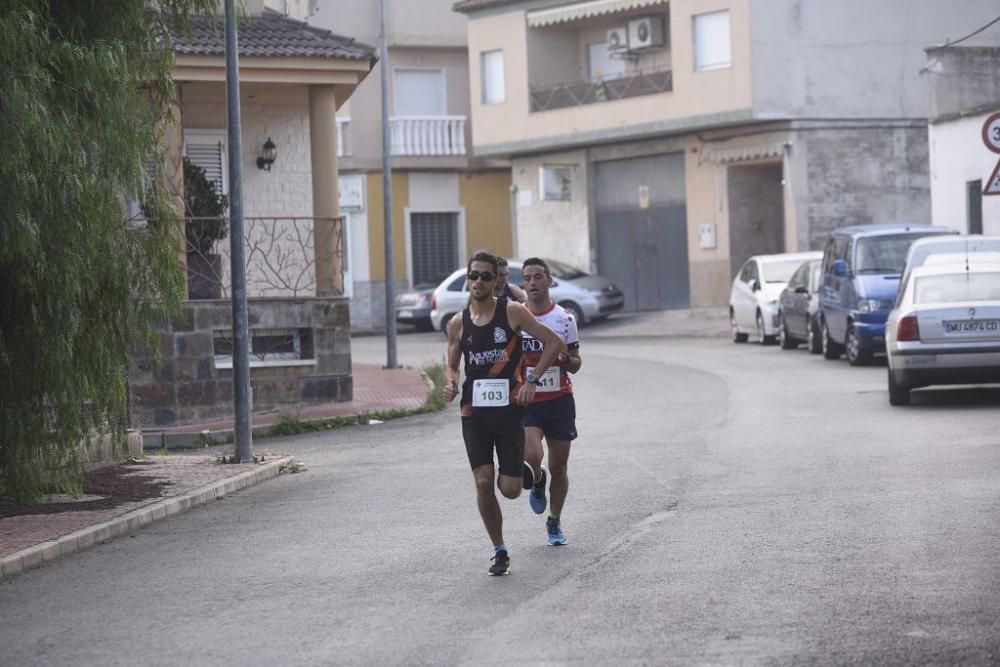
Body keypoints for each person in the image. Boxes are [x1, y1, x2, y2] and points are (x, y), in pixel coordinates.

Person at [443, 251, 565, 575]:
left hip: (510, 412)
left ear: (496, 280)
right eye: (474, 276)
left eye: (486, 276)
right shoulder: (458, 323)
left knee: (510, 490)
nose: (479, 281)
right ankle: (499, 550)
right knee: (483, 481)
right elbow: (452, 362)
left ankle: (536, 477)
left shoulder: (511, 313)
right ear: (468, 279)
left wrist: (533, 380)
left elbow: (553, 343)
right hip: (474, 414)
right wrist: (450, 382)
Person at [520, 257, 582, 546]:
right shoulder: (515, 317)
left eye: (537, 277)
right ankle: (536, 480)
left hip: (559, 399)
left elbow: (576, 362)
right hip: (528, 400)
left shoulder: (564, 319)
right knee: (532, 455)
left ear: (548, 281)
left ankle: (554, 521)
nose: (532, 283)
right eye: (527, 278)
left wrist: (566, 359)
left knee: (560, 467)